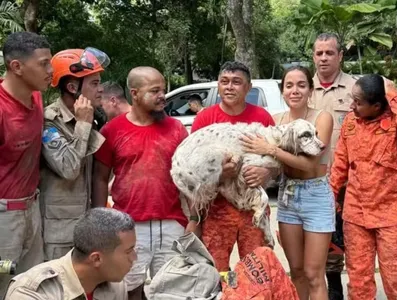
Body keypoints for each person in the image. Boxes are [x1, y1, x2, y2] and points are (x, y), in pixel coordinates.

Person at [92, 66, 188, 300]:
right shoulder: (112, 130)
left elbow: (188, 179)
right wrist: (99, 220)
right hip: (129, 226)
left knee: (171, 290)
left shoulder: (176, 129)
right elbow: (100, 177)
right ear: (134, 93)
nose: (162, 96)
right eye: (154, 90)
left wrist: (193, 220)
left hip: (172, 223)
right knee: (128, 289)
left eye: (163, 90)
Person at [240, 66, 334, 300]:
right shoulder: (276, 120)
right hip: (288, 196)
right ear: (282, 91)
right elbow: (273, 164)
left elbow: (310, 165)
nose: (295, 91)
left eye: (301, 85)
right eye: (289, 86)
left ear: (310, 90)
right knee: (298, 272)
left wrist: (270, 149)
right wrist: (264, 171)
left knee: (314, 273)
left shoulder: (321, 118)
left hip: (316, 195)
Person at [330, 74, 397, 299]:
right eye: (353, 99)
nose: (352, 106)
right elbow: (340, 164)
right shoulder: (351, 122)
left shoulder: (396, 122)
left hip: (393, 216)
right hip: (356, 215)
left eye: (359, 102)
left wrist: (392, 92)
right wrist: (330, 200)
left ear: (377, 105)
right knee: (358, 281)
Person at [186, 61, 278, 272]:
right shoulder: (205, 118)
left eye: (236, 82)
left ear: (248, 87)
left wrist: (267, 172)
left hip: (253, 209)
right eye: (224, 81)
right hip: (216, 210)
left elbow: (276, 160)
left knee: (258, 271)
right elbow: (193, 169)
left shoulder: (262, 118)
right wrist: (194, 218)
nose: (229, 87)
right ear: (218, 85)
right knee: (216, 273)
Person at [38, 47, 110, 261]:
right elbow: (68, 168)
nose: (101, 90)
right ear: (72, 87)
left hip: (83, 226)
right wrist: (83, 125)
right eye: (94, 84)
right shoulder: (50, 121)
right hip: (58, 233)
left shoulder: (90, 118)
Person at [0, 31, 52, 296]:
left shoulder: (37, 97)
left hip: (32, 207)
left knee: (31, 286)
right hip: (3, 218)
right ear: (16, 67)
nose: (50, 70)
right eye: (43, 63)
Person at [308, 32, 357, 300]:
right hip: (314, 179)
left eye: (329, 53)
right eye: (319, 53)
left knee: (350, 235)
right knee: (322, 237)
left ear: (340, 55)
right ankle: (332, 282)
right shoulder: (304, 88)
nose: (324, 58)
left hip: (350, 181)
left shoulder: (354, 89)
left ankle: (355, 284)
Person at [4, 208, 136, 300]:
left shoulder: (115, 285)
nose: (134, 258)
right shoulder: (32, 292)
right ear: (96, 259)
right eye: (129, 251)